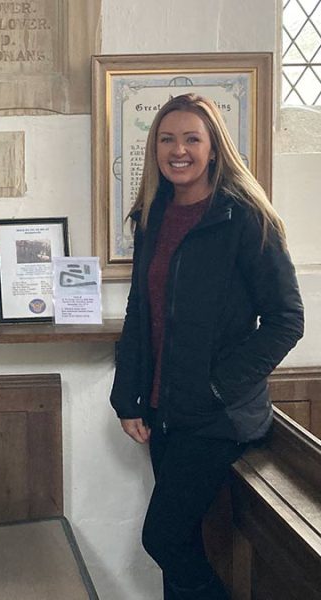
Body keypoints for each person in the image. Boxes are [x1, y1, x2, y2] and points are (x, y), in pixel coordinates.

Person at [110, 93, 304, 600]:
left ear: (214, 148)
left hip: (219, 417)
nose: (179, 150)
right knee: (182, 548)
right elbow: (140, 313)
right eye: (167, 139)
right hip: (164, 410)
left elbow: (287, 321)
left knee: (163, 538)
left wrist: (217, 386)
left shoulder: (245, 220)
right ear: (155, 148)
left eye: (192, 139)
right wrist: (127, 395)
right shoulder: (152, 215)